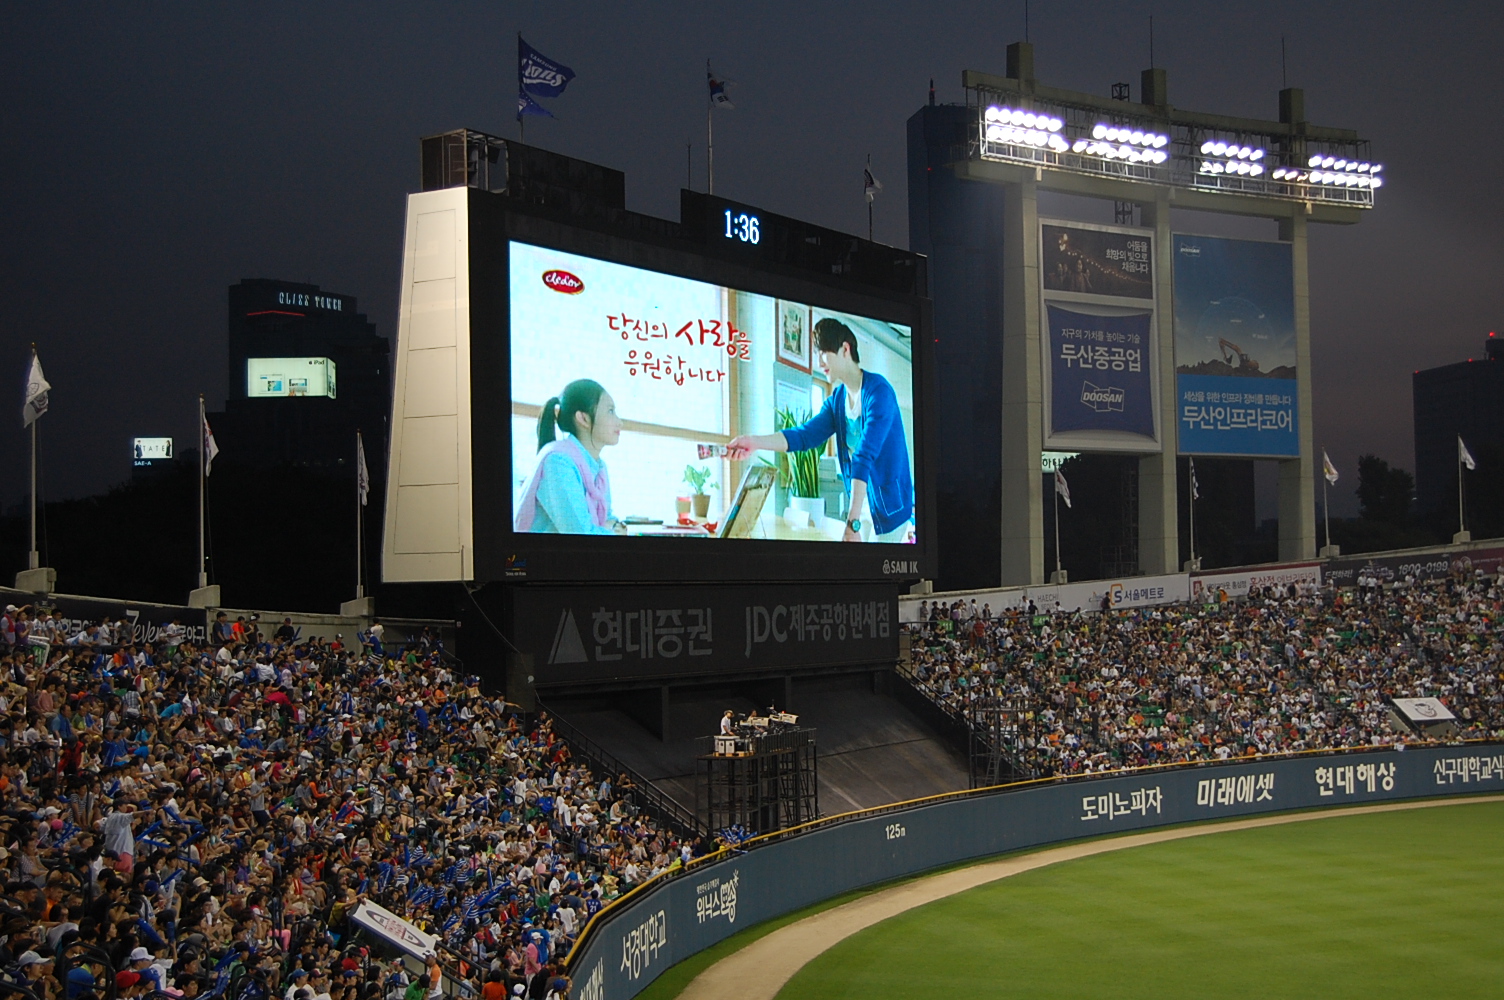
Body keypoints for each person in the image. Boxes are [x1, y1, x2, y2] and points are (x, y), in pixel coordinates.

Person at [728, 318, 914, 543]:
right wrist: (754, 442)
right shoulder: (837, 400)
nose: (819, 361)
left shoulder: (879, 392)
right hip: (861, 505)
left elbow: (864, 456)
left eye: (823, 352)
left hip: (889, 507)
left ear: (845, 349)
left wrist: (852, 522)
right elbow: (804, 436)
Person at [514, 380, 626, 535]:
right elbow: (580, 534)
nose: (620, 422)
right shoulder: (558, 462)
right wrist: (611, 532)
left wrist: (610, 529)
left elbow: (610, 520)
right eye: (610, 411)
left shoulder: (599, 466)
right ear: (583, 418)